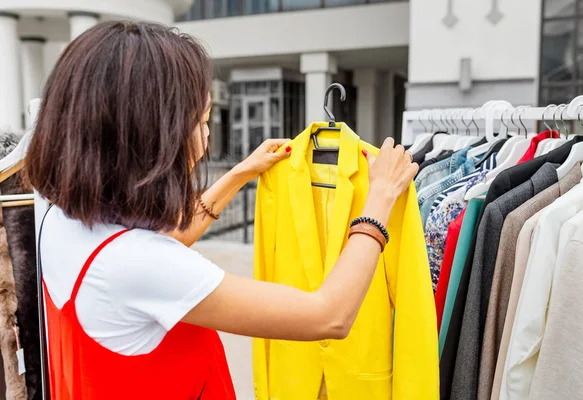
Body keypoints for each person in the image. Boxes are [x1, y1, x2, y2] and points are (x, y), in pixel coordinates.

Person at [25, 21, 418, 399]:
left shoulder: (60, 221)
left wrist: (238, 174)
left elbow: (164, 242)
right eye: (201, 120)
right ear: (152, 140)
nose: (207, 134)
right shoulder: (139, 266)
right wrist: (379, 198)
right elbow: (328, 316)